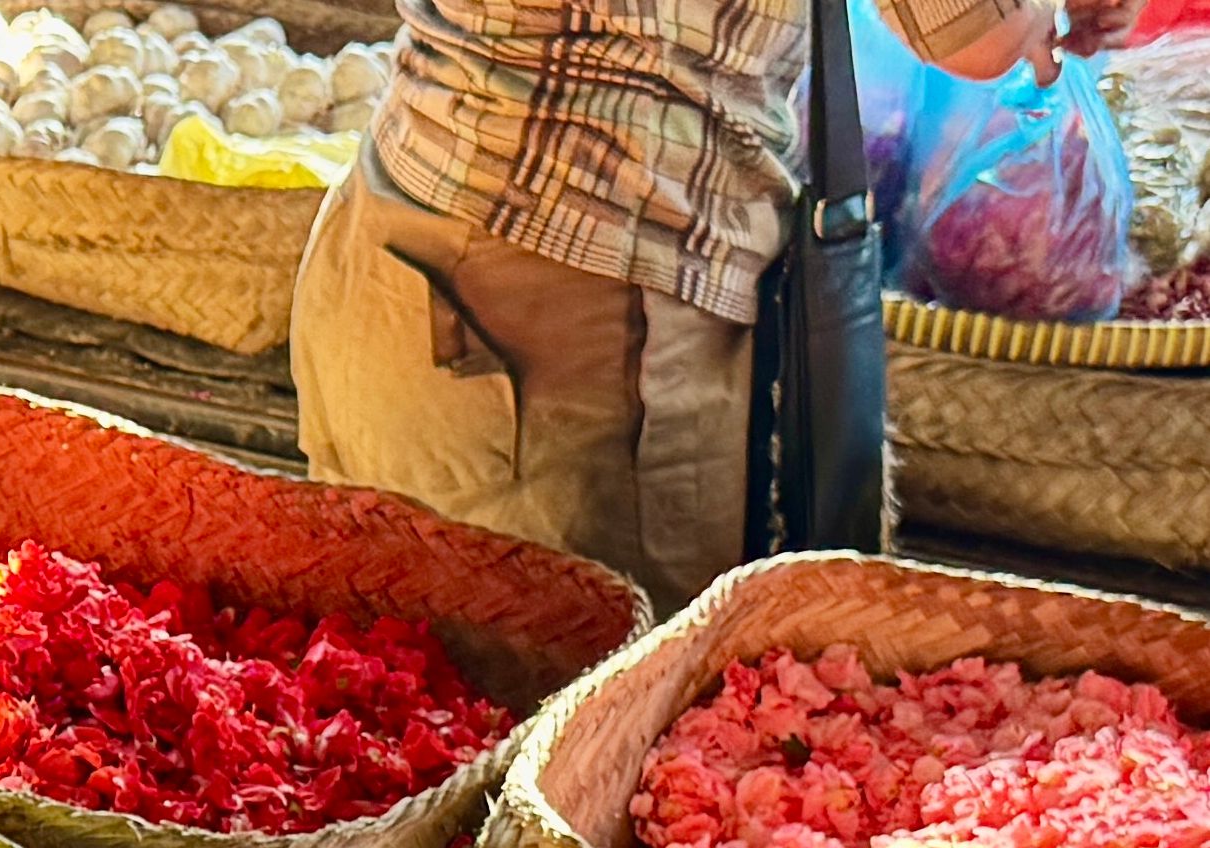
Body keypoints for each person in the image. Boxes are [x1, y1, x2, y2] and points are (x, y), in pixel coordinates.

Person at [291, 0, 1118, 610]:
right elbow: (974, 33)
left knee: (403, 691)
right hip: (576, 315)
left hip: (399, 233)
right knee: (574, 756)